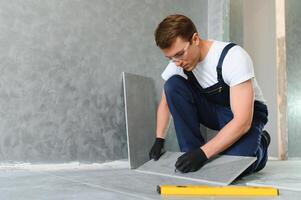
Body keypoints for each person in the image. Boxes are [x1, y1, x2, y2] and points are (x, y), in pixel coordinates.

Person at [149, 14, 270, 176]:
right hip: (214, 112)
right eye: (170, 58)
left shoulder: (233, 57)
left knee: (234, 167)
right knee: (172, 85)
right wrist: (159, 139)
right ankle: (190, 151)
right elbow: (166, 103)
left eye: (179, 54)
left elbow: (242, 122)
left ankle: (261, 143)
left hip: (247, 116)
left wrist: (203, 154)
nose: (177, 62)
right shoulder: (178, 63)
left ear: (195, 39)